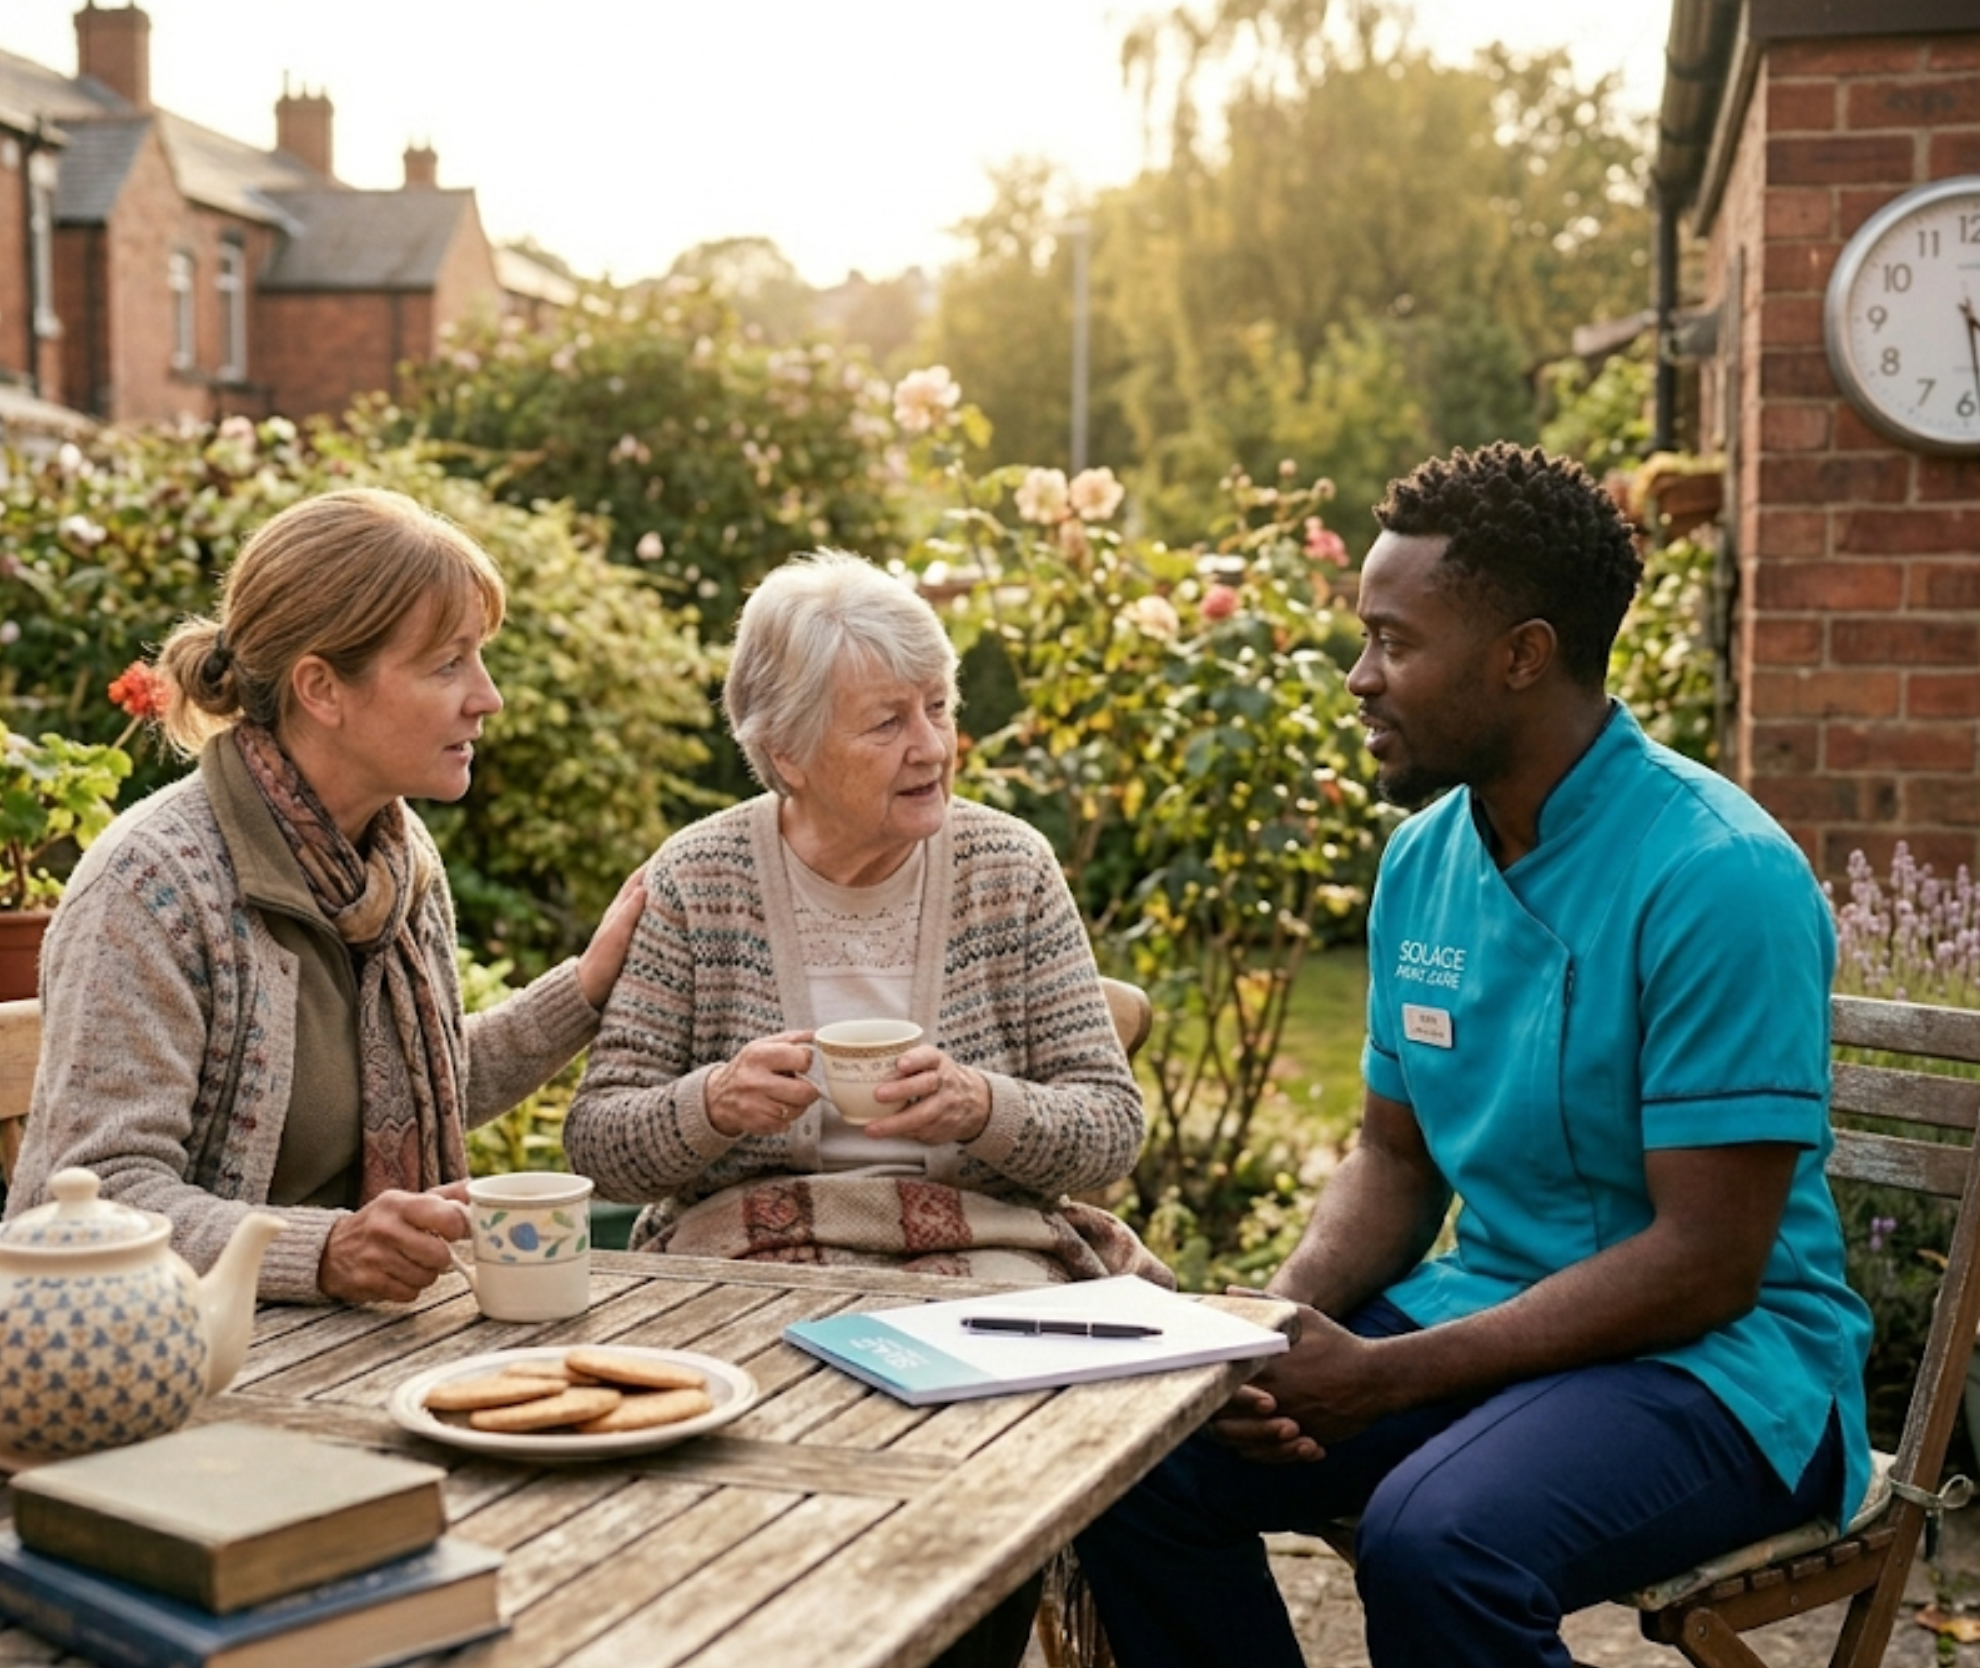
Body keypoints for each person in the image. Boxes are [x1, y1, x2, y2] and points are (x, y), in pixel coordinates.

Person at [1074, 443, 1873, 1667]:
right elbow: (1394, 1161)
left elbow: (1706, 1266)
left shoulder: (1720, 876)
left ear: (1522, 656)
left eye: (1396, 642)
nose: (1359, 679)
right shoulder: (1425, 861)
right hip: (1494, 1313)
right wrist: (1268, 1333)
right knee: (1134, 1465)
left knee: (1438, 1538)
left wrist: (1388, 1376)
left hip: (1729, 1372)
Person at [8, 487, 645, 1306]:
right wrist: (324, 1251)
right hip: (168, 1352)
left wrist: (584, 989)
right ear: (322, 688)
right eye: (448, 663)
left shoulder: (392, 858)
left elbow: (429, 1077)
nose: (487, 696)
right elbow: (98, 1194)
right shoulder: (152, 888)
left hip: (353, 1338)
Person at [564, 548, 1165, 1286]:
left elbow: (1110, 1128)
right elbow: (596, 1141)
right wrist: (713, 1103)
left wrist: (981, 1106)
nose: (932, 747)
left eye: (937, 707)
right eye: (887, 722)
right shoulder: (700, 878)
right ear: (788, 755)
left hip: (987, 1249)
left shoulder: (1012, 869)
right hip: (749, 1254)